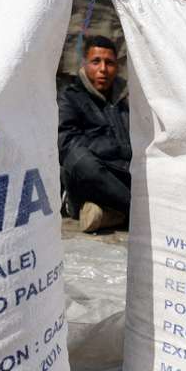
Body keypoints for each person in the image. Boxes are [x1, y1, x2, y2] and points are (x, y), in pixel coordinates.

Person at [58, 35, 131, 232]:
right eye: (96, 61)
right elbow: (66, 143)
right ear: (85, 64)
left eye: (109, 63)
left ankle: (108, 215)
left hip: (124, 173)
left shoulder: (126, 98)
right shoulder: (70, 97)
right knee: (80, 161)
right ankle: (139, 211)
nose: (103, 69)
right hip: (92, 176)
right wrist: (115, 149)